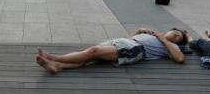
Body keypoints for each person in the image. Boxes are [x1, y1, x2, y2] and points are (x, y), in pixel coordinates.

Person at [36, 28, 188, 74]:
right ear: (169, 30)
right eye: (175, 33)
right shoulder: (154, 34)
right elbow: (131, 38)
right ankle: (58, 66)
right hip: (125, 42)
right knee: (88, 55)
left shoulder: (169, 45)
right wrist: (140, 31)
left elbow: (180, 59)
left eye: (178, 38)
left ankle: (53, 57)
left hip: (135, 49)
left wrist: (165, 40)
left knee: (93, 51)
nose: (175, 37)